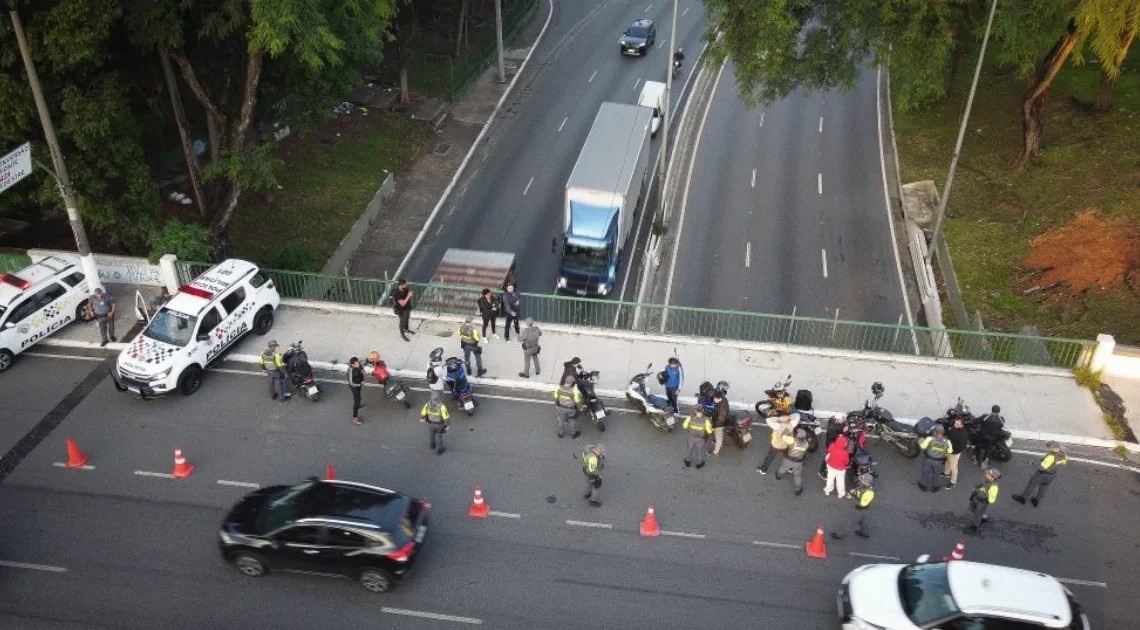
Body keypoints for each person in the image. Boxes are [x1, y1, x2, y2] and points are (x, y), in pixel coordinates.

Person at [1012, 441, 1067, 507]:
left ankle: (1022, 498)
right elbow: (1063, 463)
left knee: (1031, 485)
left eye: (1049, 448)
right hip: (1052, 474)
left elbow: (1042, 468)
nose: (1048, 449)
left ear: (1053, 448)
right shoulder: (1063, 454)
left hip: (1043, 474)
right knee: (1043, 487)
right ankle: (1036, 500)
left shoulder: (1051, 456)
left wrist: (1033, 463)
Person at [831, 474, 875, 540]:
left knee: (849, 522)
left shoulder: (869, 493)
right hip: (861, 511)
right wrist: (854, 491)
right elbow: (859, 488)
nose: (860, 481)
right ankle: (866, 533)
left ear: (866, 481)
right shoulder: (864, 485)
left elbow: (862, 504)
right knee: (862, 521)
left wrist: (851, 498)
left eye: (862, 480)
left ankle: (838, 534)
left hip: (860, 510)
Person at [964, 467, 1001, 534]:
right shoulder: (985, 478)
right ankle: (982, 517)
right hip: (976, 497)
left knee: (977, 513)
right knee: (972, 508)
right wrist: (976, 489)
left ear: (993, 478)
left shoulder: (993, 487)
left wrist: (985, 500)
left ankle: (974, 526)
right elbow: (980, 484)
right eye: (987, 473)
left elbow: (991, 499)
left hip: (982, 501)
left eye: (989, 474)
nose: (986, 473)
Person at [917, 424, 953, 492]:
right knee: (936, 474)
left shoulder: (930, 439)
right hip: (938, 462)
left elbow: (923, 447)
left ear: (935, 432)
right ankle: (935, 487)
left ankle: (923, 486)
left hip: (928, 460)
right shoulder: (947, 442)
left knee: (925, 472)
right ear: (943, 432)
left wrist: (920, 440)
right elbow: (950, 451)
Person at [777, 427, 812, 495]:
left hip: (788, 460)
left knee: (783, 468)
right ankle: (798, 489)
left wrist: (786, 429)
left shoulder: (792, 441)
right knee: (797, 475)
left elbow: (783, 436)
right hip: (799, 462)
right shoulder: (806, 443)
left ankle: (778, 475)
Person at [944, 416, 969, 489]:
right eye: (955, 423)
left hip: (954, 453)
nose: (955, 425)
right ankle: (946, 473)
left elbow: (962, 447)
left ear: (962, 425)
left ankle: (953, 481)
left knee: (954, 467)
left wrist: (953, 452)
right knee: (947, 462)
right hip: (948, 449)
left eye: (958, 424)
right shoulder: (953, 427)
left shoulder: (963, 434)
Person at [819, 413, 847, 479]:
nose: (843, 421)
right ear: (837, 420)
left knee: (830, 457)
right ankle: (822, 471)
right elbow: (833, 435)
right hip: (831, 444)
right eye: (842, 419)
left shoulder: (837, 422)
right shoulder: (831, 427)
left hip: (834, 444)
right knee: (828, 457)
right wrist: (841, 434)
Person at [709, 390, 729, 456]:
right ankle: (720, 444)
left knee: (718, 437)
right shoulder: (723, 399)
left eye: (714, 398)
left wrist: (714, 425)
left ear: (718, 398)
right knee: (720, 434)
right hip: (719, 422)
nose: (714, 400)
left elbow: (720, 420)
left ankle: (716, 451)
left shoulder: (722, 408)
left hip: (719, 424)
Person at [347, 357, 365, 425]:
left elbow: (362, 369)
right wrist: (361, 383)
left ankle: (359, 406)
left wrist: (363, 371)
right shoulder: (350, 371)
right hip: (354, 387)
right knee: (356, 402)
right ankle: (354, 418)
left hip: (359, 384)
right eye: (356, 364)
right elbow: (352, 383)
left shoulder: (359, 365)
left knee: (359, 398)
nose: (358, 364)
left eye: (358, 362)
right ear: (352, 365)